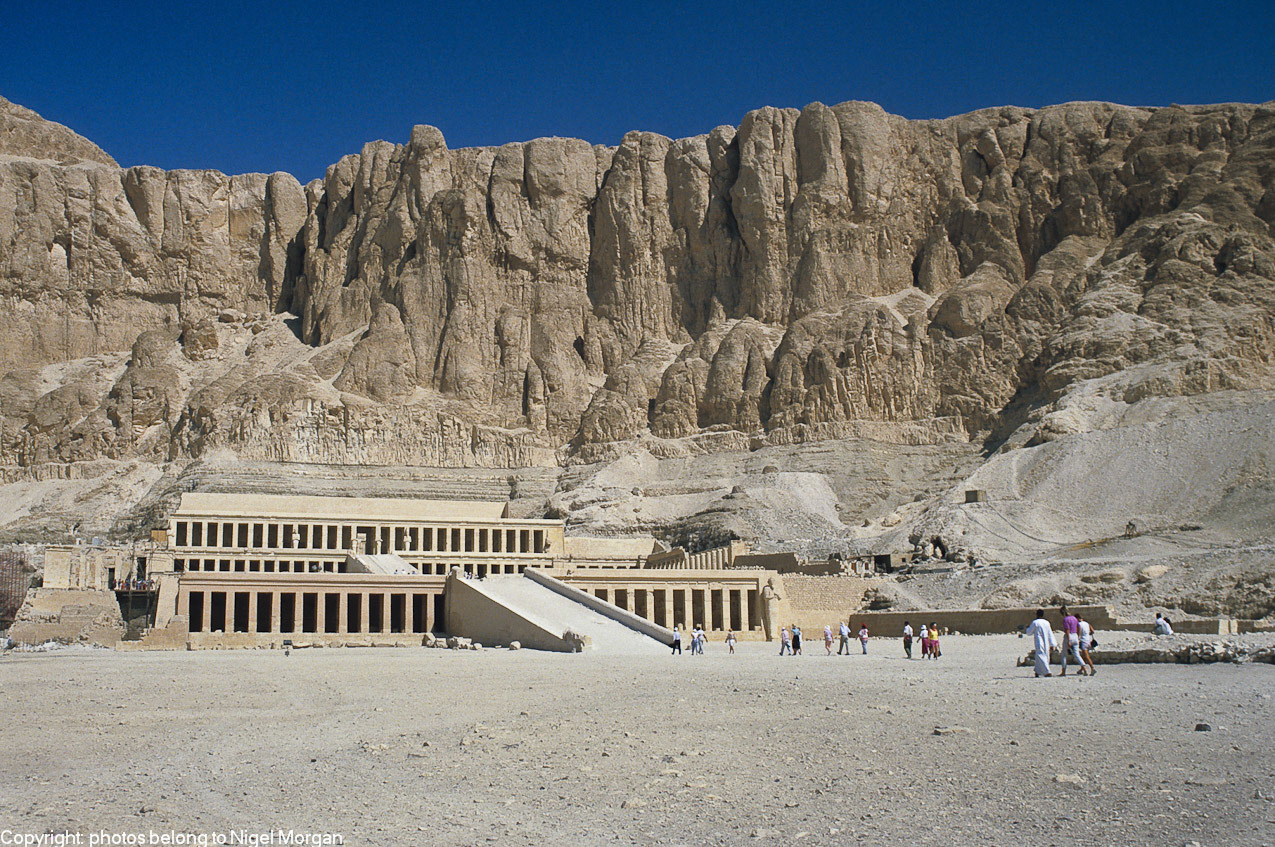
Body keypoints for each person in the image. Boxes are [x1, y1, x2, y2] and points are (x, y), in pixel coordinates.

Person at [1024, 609, 1057, 677]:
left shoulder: (1035, 622)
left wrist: (1027, 628)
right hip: (1046, 641)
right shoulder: (1047, 622)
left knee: (1040, 655)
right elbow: (1050, 633)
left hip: (1039, 641)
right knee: (1043, 655)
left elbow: (1029, 632)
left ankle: (1047, 671)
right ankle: (1038, 671)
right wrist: (1052, 643)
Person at [1060, 606, 1083, 676]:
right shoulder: (1074, 618)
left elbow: (1067, 630)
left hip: (1069, 636)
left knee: (1064, 655)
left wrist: (1068, 640)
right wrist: (1078, 636)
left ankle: (1063, 671)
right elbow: (1079, 627)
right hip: (1075, 635)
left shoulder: (1065, 619)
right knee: (1076, 654)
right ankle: (1084, 667)